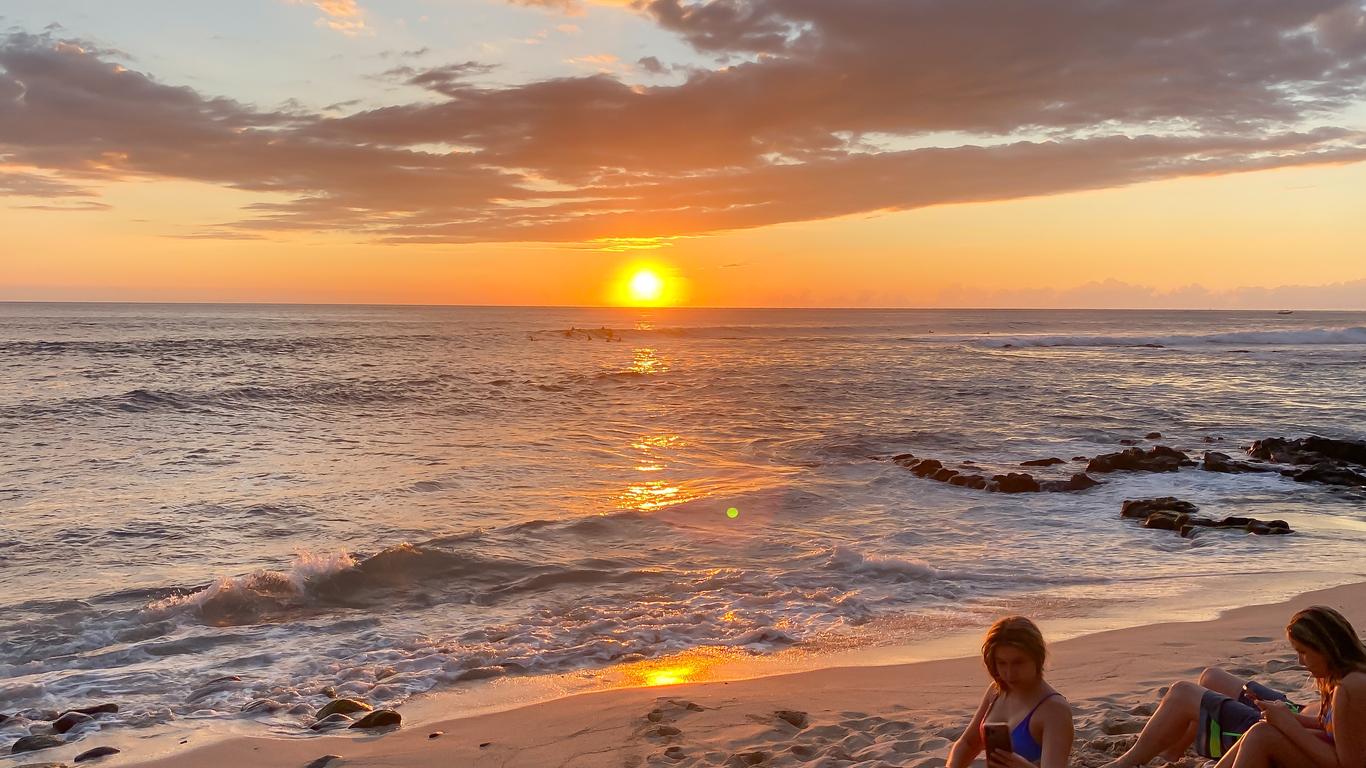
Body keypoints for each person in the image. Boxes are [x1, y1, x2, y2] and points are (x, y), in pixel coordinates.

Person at [1102, 605, 1366, 768]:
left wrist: (1286, 725)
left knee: (1260, 734)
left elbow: (1349, 762)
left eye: (1304, 652)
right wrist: (1286, 717)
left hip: (1322, 756)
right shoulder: (1340, 678)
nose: (1299, 662)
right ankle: (1172, 754)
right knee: (1217, 683)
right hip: (1308, 734)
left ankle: (1128, 762)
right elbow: (1333, 728)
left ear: (1327, 646)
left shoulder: (1350, 688)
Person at [948, 616, 1074, 768]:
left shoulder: (1054, 710)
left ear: (1037, 657)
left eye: (1018, 662)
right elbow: (968, 743)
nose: (1009, 673)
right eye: (1002, 663)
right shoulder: (996, 692)